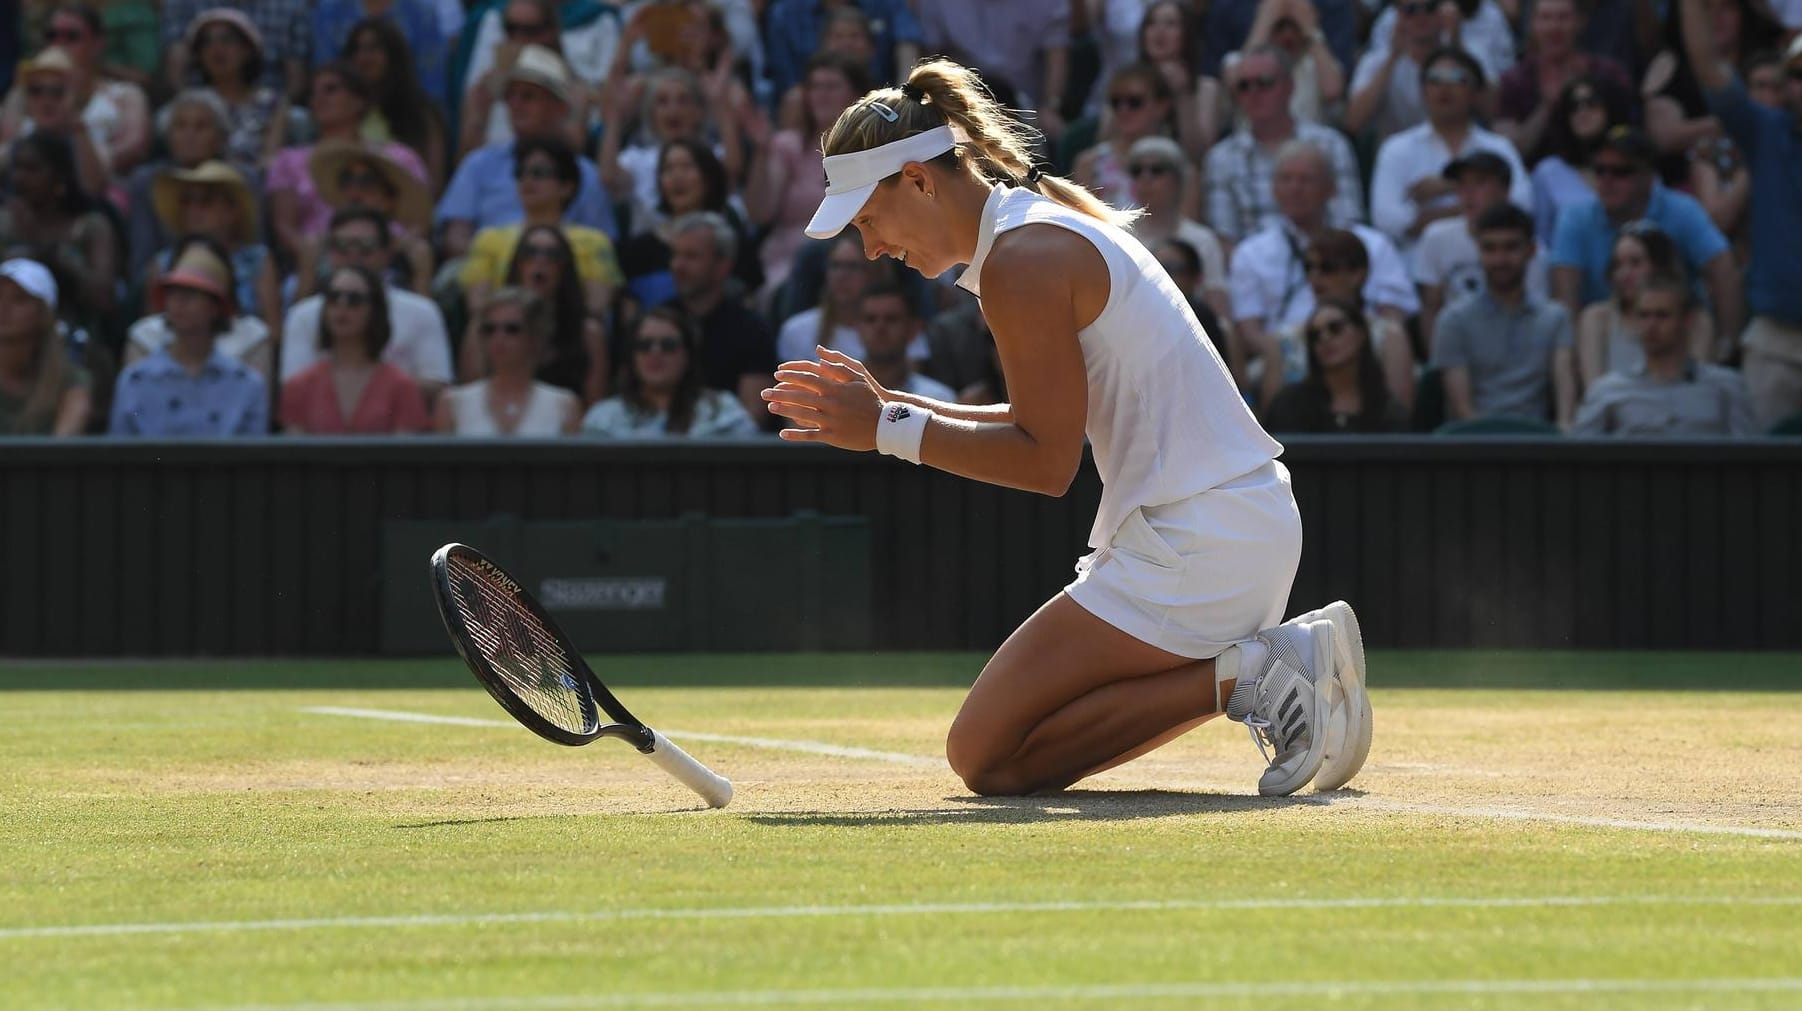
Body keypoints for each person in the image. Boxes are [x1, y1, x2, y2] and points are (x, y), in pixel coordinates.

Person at [761, 59, 1369, 798]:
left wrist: (888, 427)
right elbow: (1043, 422)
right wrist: (893, 406)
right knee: (1001, 761)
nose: (870, 248)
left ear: (919, 181)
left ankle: (1258, 672)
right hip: (1224, 528)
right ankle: (1253, 672)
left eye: (867, 219)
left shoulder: (1024, 257)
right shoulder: (1023, 237)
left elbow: (1047, 462)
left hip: (1202, 542)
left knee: (981, 751)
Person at [1682, 7, 1802, 424]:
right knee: (1766, 480)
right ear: (1788, 88)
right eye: (1799, 76)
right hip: (1777, 341)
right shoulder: (1764, 131)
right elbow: (1706, 64)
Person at [1547, 126, 1740, 346]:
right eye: (1600, 170)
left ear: (1648, 176)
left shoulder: (1682, 211)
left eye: (1620, 171)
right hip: (1606, 339)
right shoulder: (1575, 217)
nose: (1607, 179)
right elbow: (1565, 292)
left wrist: (1728, 342)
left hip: (1676, 338)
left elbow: (1723, 270)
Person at [1368, 47, 1532, 265]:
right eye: (1434, 79)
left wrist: (1448, 190)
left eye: (1456, 78)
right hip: (1413, 265)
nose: (1444, 88)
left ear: (1475, 93)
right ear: (1423, 90)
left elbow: (1523, 206)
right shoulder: (1397, 149)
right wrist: (1480, 199)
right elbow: (1389, 222)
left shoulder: (1499, 147)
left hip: (1494, 261)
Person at [281, 206, 454, 401]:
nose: (354, 257)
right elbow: (293, 392)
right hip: (325, 428)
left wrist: (364, 383)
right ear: (329, 253)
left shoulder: (422, 311)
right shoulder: (303, 314)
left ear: (387, 253)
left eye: (366, 247)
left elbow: (438, 388)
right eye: (342, 246)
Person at [1433, 204, 1578, 427]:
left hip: (1541, 447)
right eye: (1489, 249)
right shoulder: (1453, 320)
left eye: (1510, 248)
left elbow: (1565, 411)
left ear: (1531, 250)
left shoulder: (1555, 318)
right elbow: (1463, 411)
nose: (1500, 259)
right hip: (1474, 448)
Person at [1205, 44, 1364, 243]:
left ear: (1290, 86)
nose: (1254, 93)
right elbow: (1225, 238)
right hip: (1253, 269)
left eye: (1264, 83)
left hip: (1327, 263)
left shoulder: (1330, 145)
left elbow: (1347, 223)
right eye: (1244, 86)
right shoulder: (1221, 158)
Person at [110, 242, 268, 436]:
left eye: (190, 294)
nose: (178, 302)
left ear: (214, 307)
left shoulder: (246, 386)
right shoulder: (135, 382)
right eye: (173, 293)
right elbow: (122, 454)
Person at [1572, 273, 1758, 435]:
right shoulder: (1608, 391)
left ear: (1687, 321)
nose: (1651, 326)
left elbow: (1747, 460)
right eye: (1644, 316)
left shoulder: (1726, 387)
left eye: (1662, 315)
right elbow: (1580, 459)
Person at [1416, 152, 1551, 346]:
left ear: (1505, 190)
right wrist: (1438, 364)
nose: (1467, 193)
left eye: (1479, 183)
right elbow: (1431, 308)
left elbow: (1535, 313)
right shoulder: (1435, 237)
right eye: (1462, 184)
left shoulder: (1531, 248)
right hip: (1458, 347)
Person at [280, 264, 432, 434]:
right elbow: (294, 456)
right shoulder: (299, 386)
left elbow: (407, 455)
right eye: (333, 297)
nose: (342, 305)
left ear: (375, 309)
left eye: (354, 299)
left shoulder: (402, 387)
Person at [581, 305, 758, 438]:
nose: (655, 353)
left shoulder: (723, 412)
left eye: (668, 345)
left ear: (688, 355)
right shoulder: (603, 418)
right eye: (644, 346)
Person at [1575, 225, 1715, 387]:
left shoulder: (1697, 322)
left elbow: (1697, 387)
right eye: (1617, 265)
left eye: (1635, 263)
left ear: (1660, 265)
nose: (1624, 274)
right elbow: (1595, 390)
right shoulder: (1597, 319)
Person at [436, 287, 580, 435]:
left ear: (535, 336)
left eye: (512, 329)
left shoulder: (564, 405)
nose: (499, 337)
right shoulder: (453, 403)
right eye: (489, 329)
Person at [1264, 299, 1409, 433]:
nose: (1325, 338)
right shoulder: (1289, 405)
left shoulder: (1389, 411)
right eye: (1314, 335)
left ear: (1361, 333)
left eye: (1335, 328)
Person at [1529, 74, 1637, 243]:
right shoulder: (1547, 173)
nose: (1582, 112)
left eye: (1591, 103)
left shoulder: (1636, 163)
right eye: (1573, 106)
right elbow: (1542, 241)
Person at [0, 258, 89, 436]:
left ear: (44, 313)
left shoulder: (70, 381)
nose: (3, 307)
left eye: (19, 299)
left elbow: (62, 449)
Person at [775, 233, 876, 366]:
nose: (842, 276)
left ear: (873, 273)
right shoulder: (797, 331)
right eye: (835, 266)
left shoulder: (891, 327)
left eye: (852, 266)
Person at [854, 282, 956, 403]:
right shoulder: (839, 395)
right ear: (857, 327)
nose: (880, 327)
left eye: (891, 319)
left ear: (913, 329)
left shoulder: (939, 399)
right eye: (870, 319)